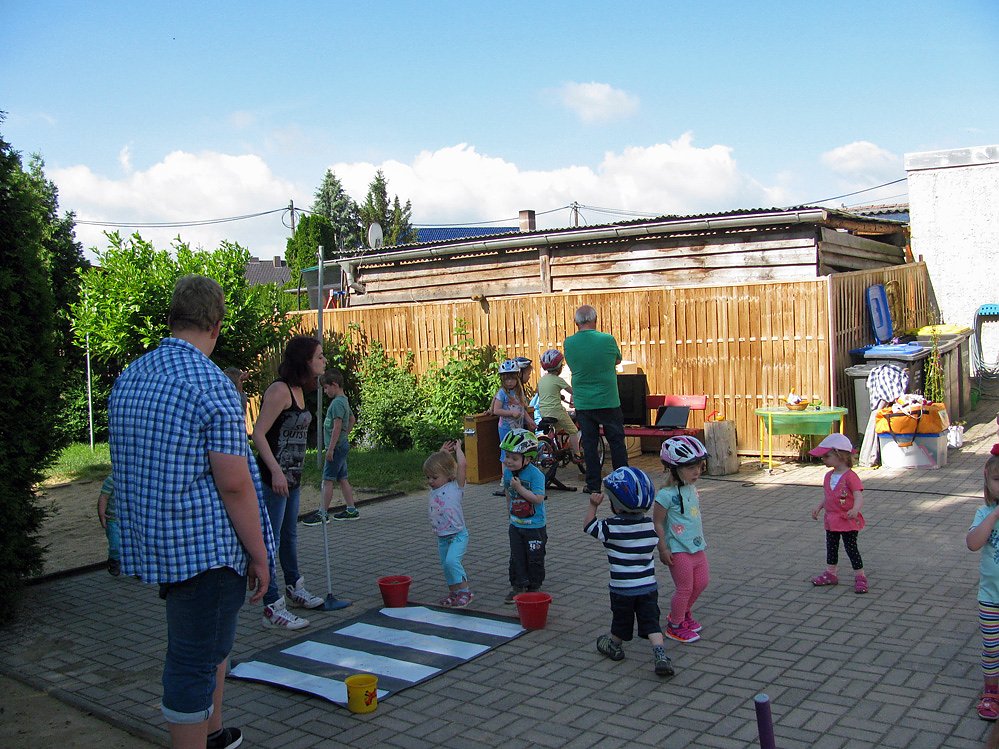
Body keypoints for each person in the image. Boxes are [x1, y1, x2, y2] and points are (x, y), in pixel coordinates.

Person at [108, 274, 273, 749]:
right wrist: (259, 554)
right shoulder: (211, 383)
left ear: (172, 318)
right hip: (207, 552)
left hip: (158, 542)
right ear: (216, 325)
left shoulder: (132, 376)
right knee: (193, 661)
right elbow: (235, 484)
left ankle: (213, 732)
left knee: (209, 645)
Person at [253, 335, 327, 629]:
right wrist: (275, 472)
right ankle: (271, 606)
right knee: (270, 540)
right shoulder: (279, 391)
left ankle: (294, 587)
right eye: (319, 356)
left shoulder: (299, 390)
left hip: (292, 478)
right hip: (274, 479)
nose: (324, 361)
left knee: (288, 536)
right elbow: (259, 434)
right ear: (304, 361)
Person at [585, 467, 675, 677]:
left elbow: (589, 526)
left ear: (616, 505)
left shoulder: (610, 527)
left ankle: (614, 645)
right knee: (651, 621)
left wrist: (593, 505)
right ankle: (660, 654)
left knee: (621, 621)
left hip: (622, 589)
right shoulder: (650, 527)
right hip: (647, 587)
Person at [563, 304, 628, 502]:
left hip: (584, 402)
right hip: (608, 399)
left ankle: (593, 485)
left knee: (590, 444)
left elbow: (572, 364)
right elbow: (617, 360)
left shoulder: (569, 343)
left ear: (576, 323)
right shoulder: (607, 340)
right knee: (616, 442)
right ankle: (623, 481)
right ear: (595, 320)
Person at [654, 436, 711, 644]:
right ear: (674, 469)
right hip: (678, 550)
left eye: (699, 467)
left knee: (702, 583)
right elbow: (658, 523)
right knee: (685, 588)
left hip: (697, 547)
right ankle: (675, 625)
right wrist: (662, 548)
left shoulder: (691, 489)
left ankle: (683, 613)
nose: (697, 472)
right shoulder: (665, 495)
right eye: (691, 468)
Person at [808, 433, 868, 594]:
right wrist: (819, 507)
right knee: (831, 547)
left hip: (847, 519)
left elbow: (858, 495)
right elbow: (829, 495)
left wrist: (855, 509)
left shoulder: (851, 477)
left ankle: (860, 576)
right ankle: (831, 573)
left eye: (827, 456)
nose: (823, 459)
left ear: (840, 455)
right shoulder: (829, 476)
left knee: (851, 548)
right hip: (832, 520)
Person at [966, 445, 999, 721]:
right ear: (987, 480)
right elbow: (973, 543)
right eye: (998, 479)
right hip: (990, 598)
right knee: (992, 648)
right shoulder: (984, 512)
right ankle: (991, 692)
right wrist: (995, 515)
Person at [301, 370, 358, 525]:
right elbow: (352, 419)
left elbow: (337, 426)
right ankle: (351, 509)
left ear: (334, 385)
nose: (325, 391)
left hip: (336, 448)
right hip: (341, 444)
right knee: (342, 478)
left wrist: (331, 448)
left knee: (327, 480)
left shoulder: (337, 403)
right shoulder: (343, 400)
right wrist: (345, 435)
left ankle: (323, 513)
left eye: (326, 388)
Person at [499, 429, 548, 603]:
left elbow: (538, 499)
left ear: (527, 459)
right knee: (516, 557)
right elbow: (508, 492)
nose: (508, 461)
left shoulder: (536, 475)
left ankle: (534, 586)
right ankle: (518, 585)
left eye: (514, 458)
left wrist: (520, 488)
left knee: (534, 557)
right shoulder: (508, 473)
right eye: (507, 456)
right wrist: (509, 512)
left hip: (534, 526)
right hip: (516, 524)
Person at [424, 440, 473, 608]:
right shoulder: (434, 489)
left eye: (434, 478)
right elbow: (438, 465)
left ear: (447, 474)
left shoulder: (456, 487)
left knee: (452, 562)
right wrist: (442, 452)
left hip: (458, 535)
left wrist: (458, 449)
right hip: (442, 537)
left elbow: (462, 465)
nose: (430, 481)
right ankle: (454, 593)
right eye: (428, 477)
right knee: (446, 566)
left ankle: (465, 592)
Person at [492, 359, 535, 496]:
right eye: (506, 379)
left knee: (518, 452)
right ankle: (505, 481)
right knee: (506, 454)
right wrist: (511, 413)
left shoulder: (518, 392)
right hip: (506, 428)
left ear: (517, 377)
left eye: (512, 379)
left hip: (518, 427)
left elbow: (522, 408)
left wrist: (529, 420)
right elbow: (496, 410)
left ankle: (517, 480)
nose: (509, 382)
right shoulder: (502, 393)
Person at [536, 348, 581, 456]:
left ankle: (550, 444)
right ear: (559, 367)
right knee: (573, 430)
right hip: (556, 411)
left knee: (557, 427)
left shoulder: (541, 380)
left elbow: (540, 393)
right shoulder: (558, 380)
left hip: (543, 411)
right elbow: (573, 392)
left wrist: (557, 395)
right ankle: (577, 454)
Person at [96, 474, 120, 576]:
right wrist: (102, 514)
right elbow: (104, 497)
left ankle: (136, 567)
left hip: (129, 520)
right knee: (115, 544)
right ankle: (114, 561)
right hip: (112, 519)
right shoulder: (111, 479)